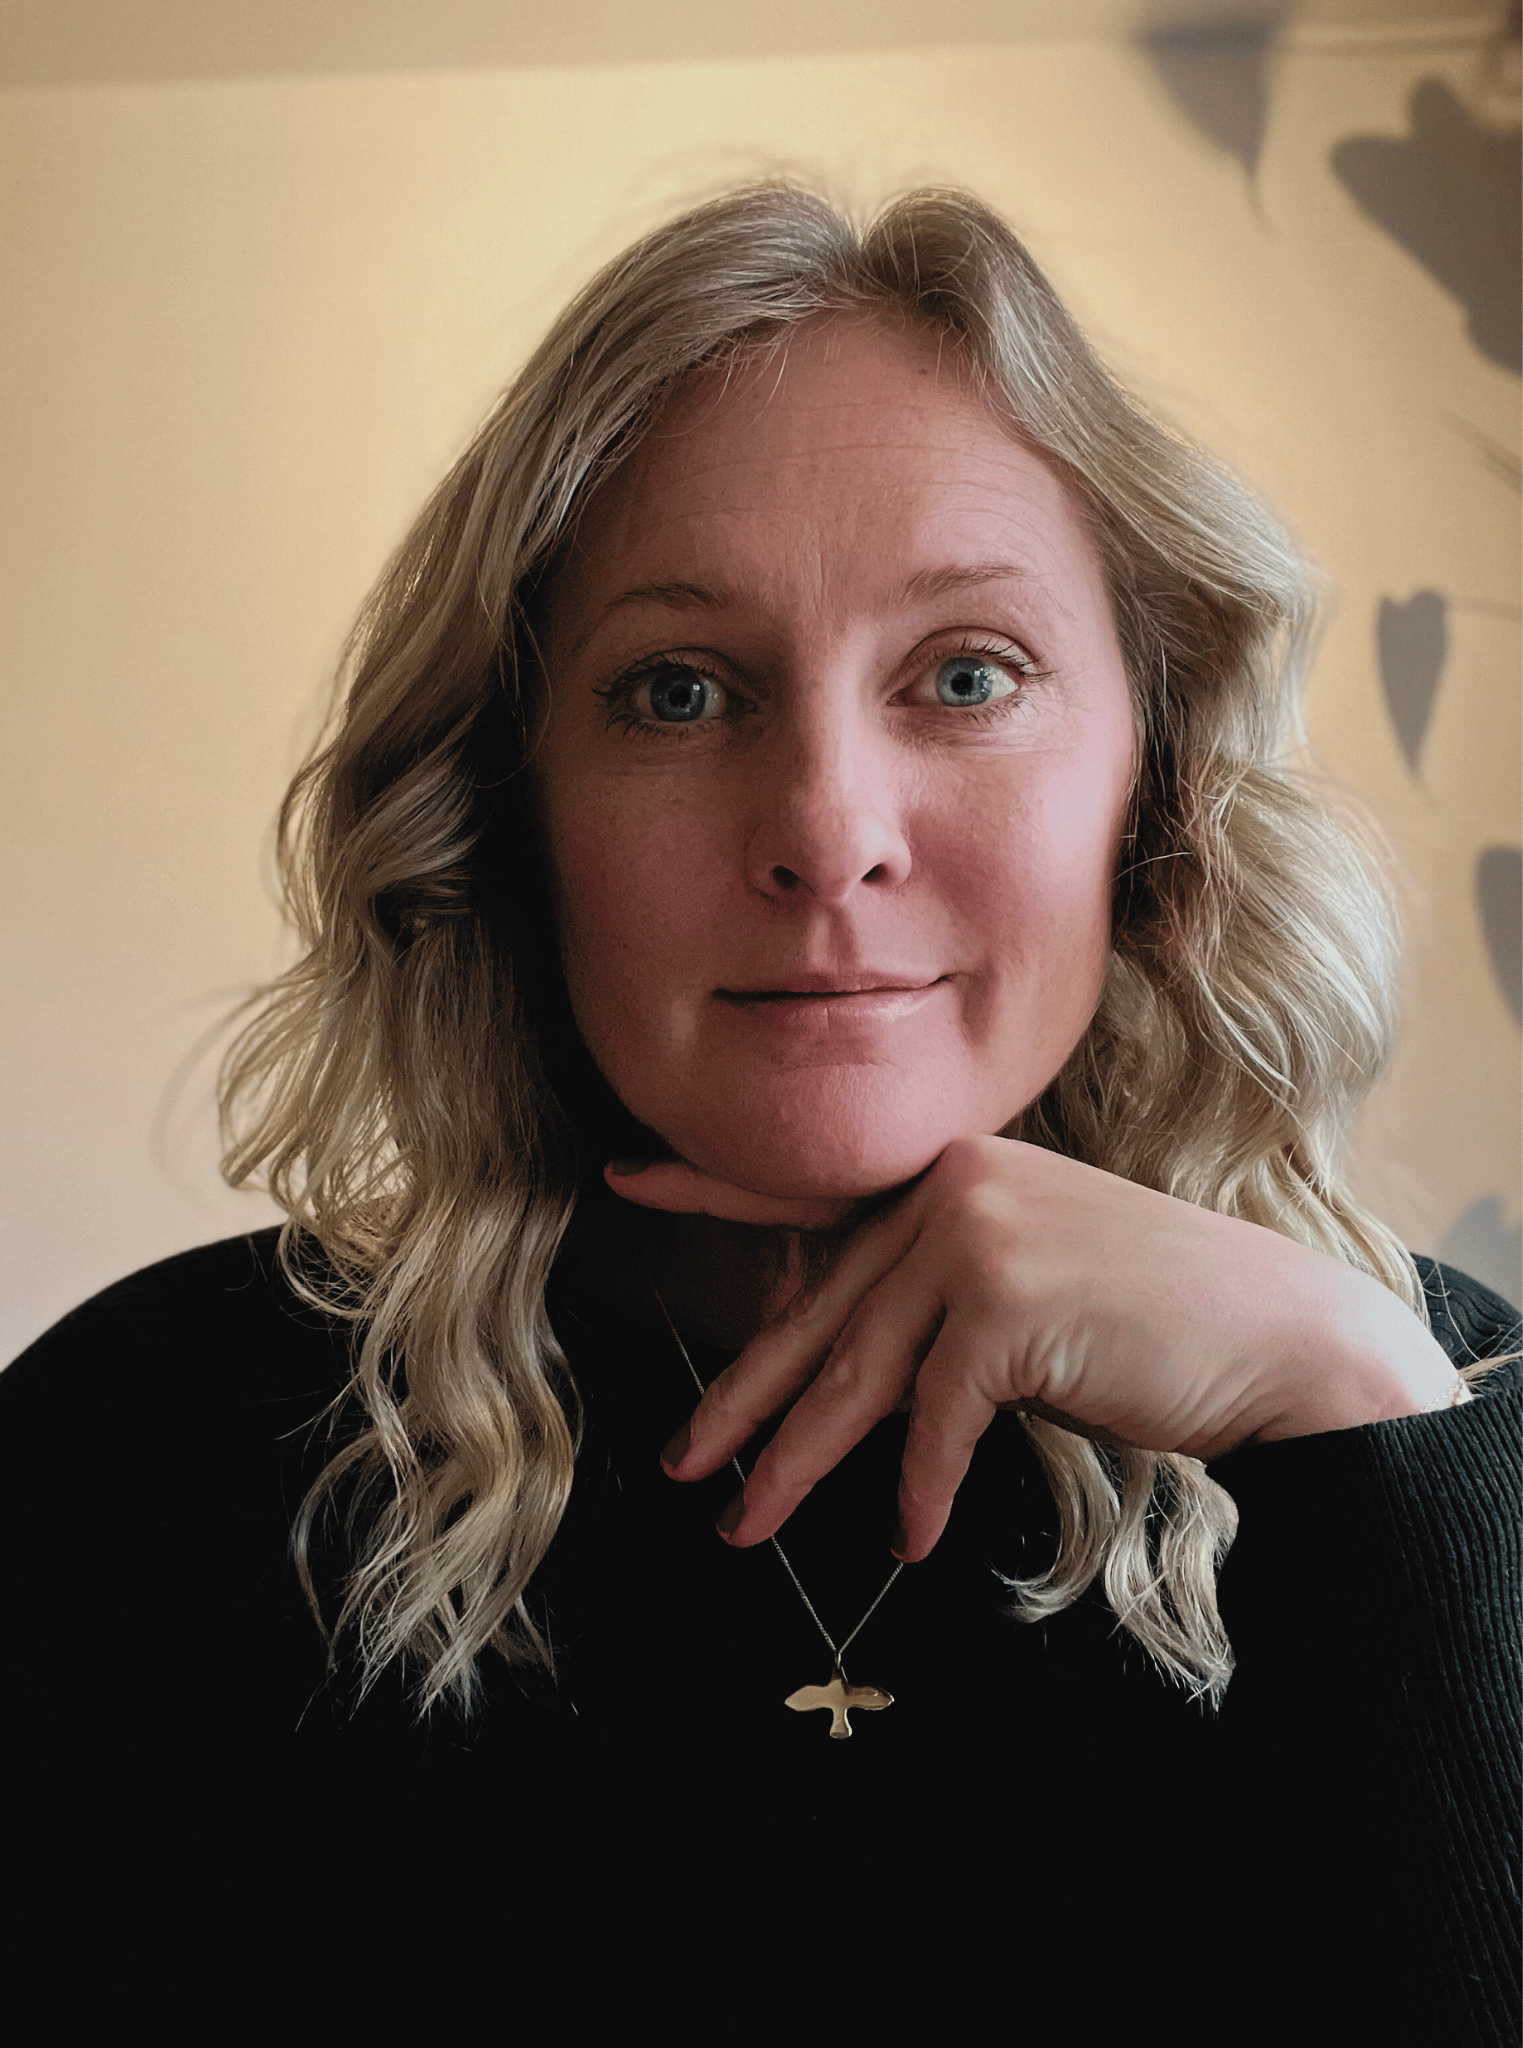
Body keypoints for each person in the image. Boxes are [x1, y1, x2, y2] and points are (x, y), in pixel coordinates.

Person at [3, 184, 1517, 2033]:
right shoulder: (137, 1448)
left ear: (1158, 790)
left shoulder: (1442, 1412)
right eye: (676, 689)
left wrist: (1373, 1429)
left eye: (966, 676)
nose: (824, 832)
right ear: (509, 813)